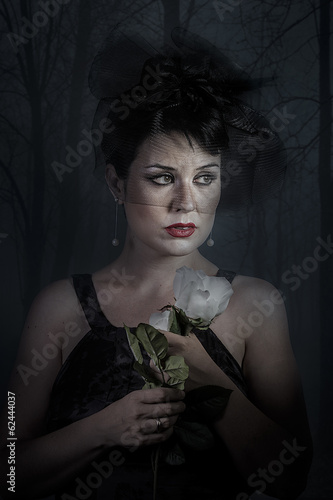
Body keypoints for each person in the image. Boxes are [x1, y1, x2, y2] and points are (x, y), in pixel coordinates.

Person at [0, 28, 312, 500]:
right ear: (116, 184)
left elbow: (294, 474)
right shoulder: (58, 307)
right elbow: (7, 469)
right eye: (162, 178)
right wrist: (104, 429)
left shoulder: (258, 304)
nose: (186, 203)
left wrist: (205, 371)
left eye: (205, 178)